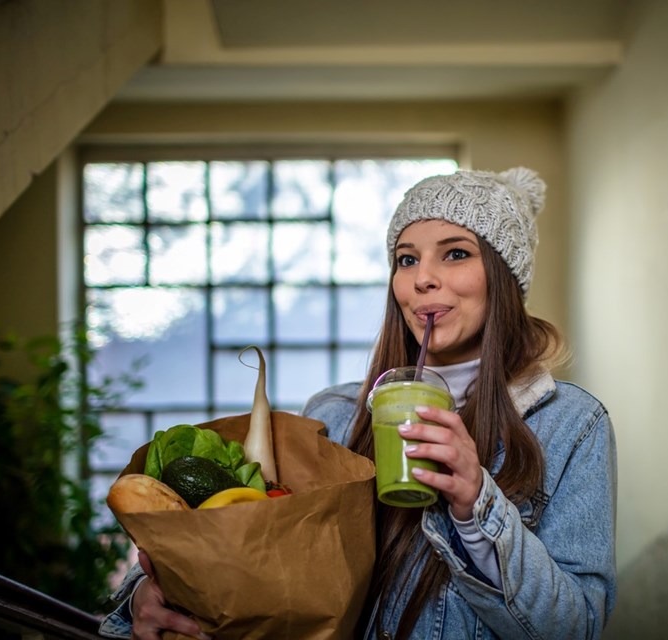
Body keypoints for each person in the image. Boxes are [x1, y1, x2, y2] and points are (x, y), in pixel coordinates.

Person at [99, 167, 617, 640]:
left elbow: (578, 629)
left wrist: (476, 502)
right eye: (406, 259)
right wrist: (145, 600)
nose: (421, 279)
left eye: (455, 253)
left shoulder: (572, 425)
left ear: (503, 279)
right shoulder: (333, 414)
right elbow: (258, 560)